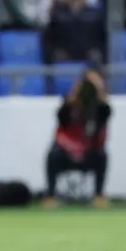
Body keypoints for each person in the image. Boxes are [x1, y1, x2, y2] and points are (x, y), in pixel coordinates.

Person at [43, 66, 111, 209]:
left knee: (102, 155)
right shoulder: (69, 106)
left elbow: (106, 113)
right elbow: (60, 117)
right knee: (53, 154)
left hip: (90, 151)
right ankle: (50, 195)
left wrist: (99, 88)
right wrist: (74, 93)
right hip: (67, 152)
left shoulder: (99, 109)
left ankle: (99, 195)